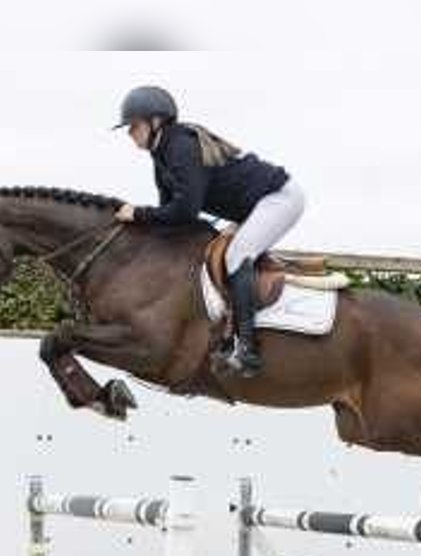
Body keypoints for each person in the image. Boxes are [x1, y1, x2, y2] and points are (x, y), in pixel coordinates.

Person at [113, 85, 304, 377]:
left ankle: (248, 351)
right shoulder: (161, 154)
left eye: (133, 126)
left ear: (155, 122)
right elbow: (170, 217)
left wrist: (137, 214)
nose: (130, 134)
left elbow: (186, 211)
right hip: (254, 208)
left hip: (278, 198)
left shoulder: (180, 146)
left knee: (237, 256)